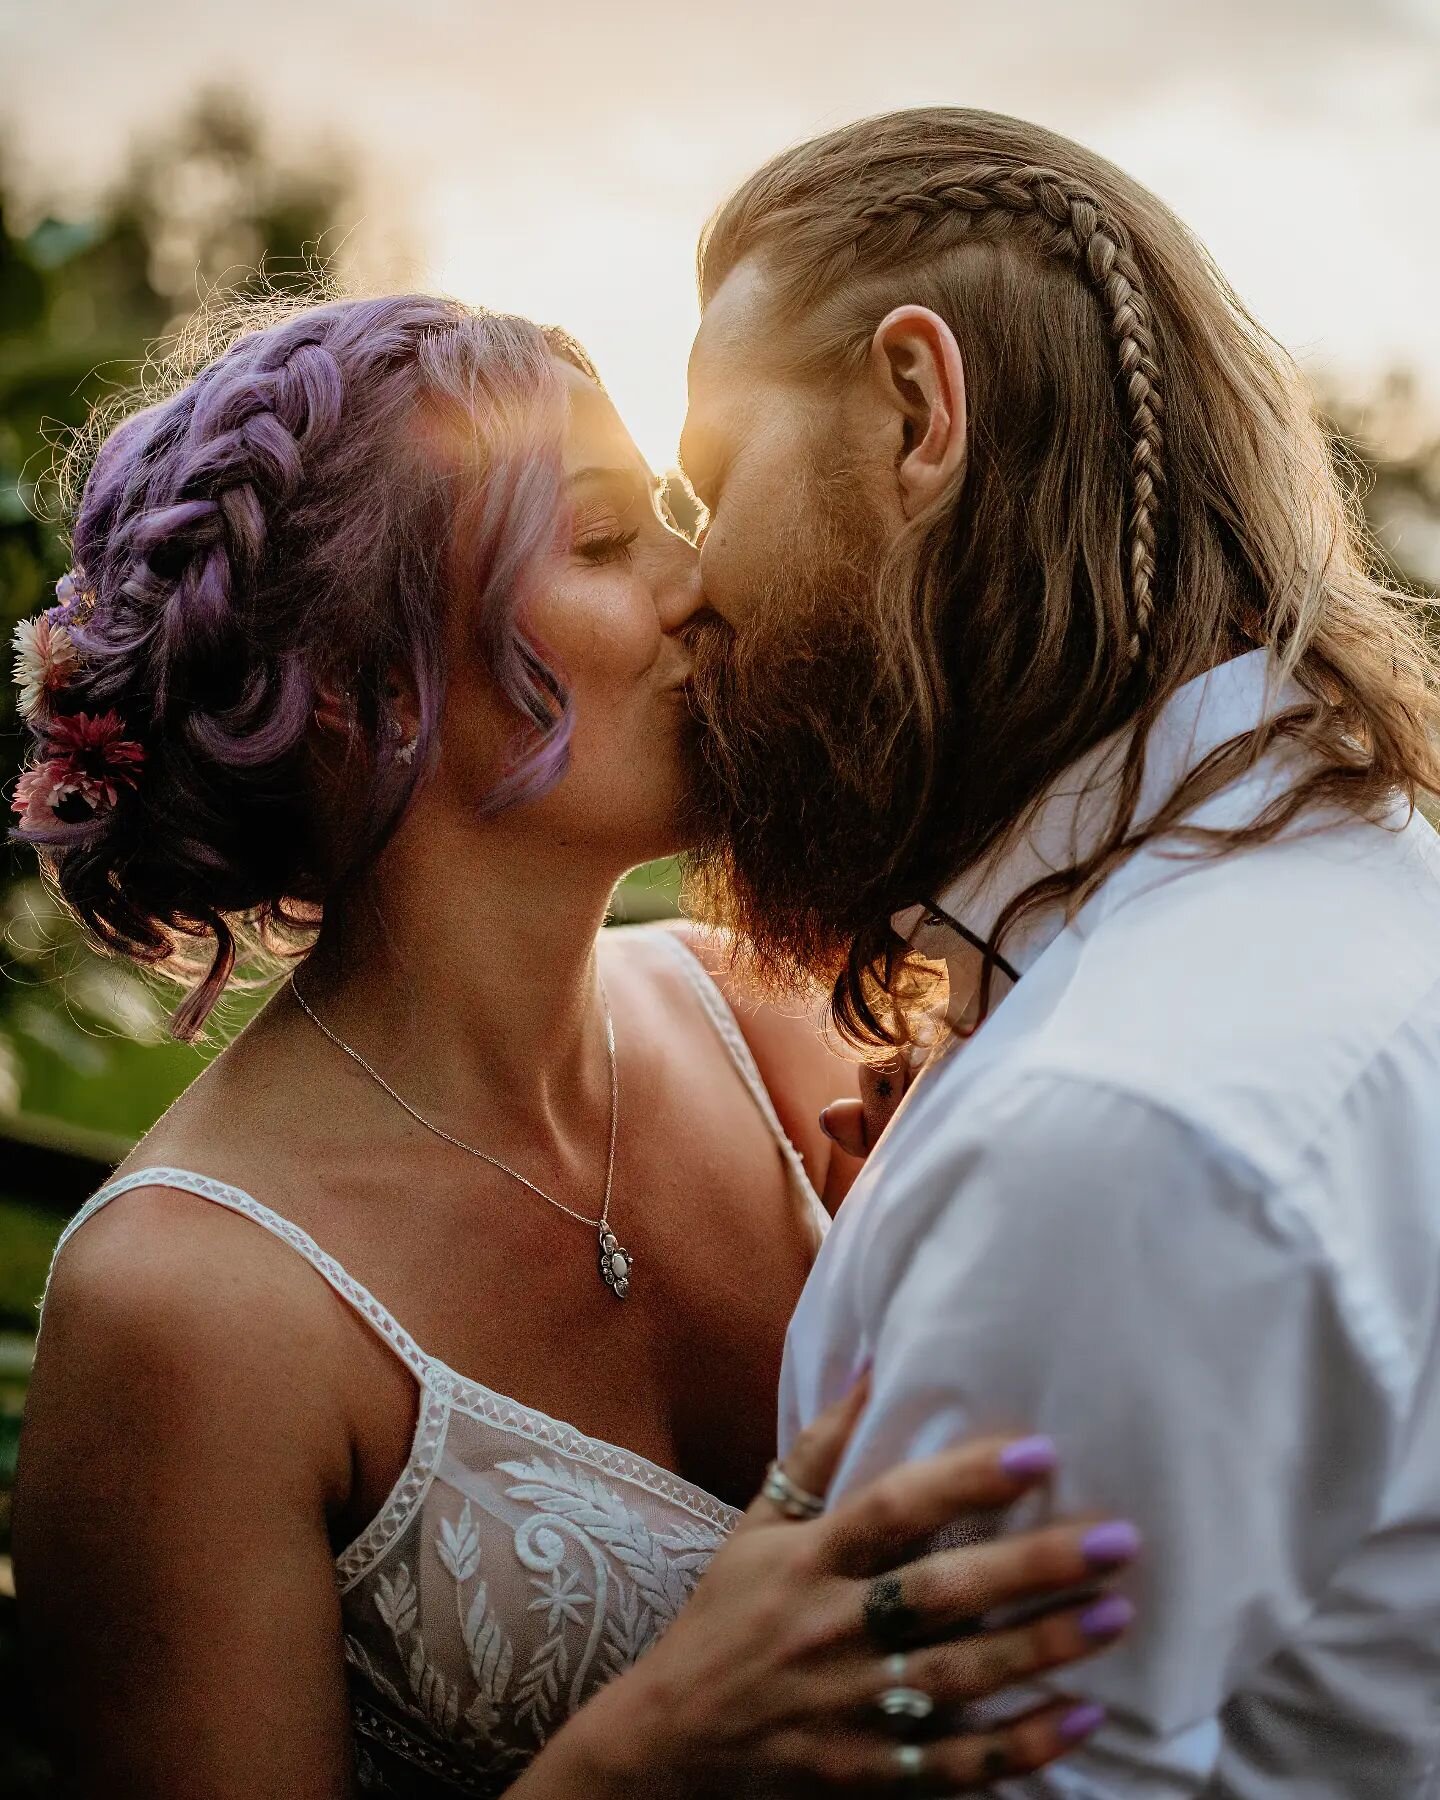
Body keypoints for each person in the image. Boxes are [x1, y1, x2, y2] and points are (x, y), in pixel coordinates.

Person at [8, 294, 1136, 1799]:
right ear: (366, 692)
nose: (703, 582)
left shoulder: (793, 1031)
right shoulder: (189, 1311)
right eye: (609, 544)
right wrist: (649, 1761)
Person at [679, 107, 1440, 1794]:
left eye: (715, 482)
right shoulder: (1332, 889)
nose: (692, 580)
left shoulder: (1120, 1133)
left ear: (918, 411)